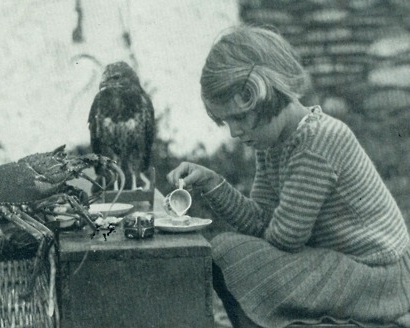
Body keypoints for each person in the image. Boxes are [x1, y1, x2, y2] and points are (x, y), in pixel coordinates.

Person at [167, 25, 410, 328]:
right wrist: (213, 183)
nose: (234, 132)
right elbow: (262, 221)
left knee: (228, 252)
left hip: (377, 277)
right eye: (226, 121)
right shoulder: (274, 142)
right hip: (340, 262)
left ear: (269, 95)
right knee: (226, 251)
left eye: (240, 117)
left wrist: (265, 231)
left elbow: (284, 237)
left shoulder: (317, 141)